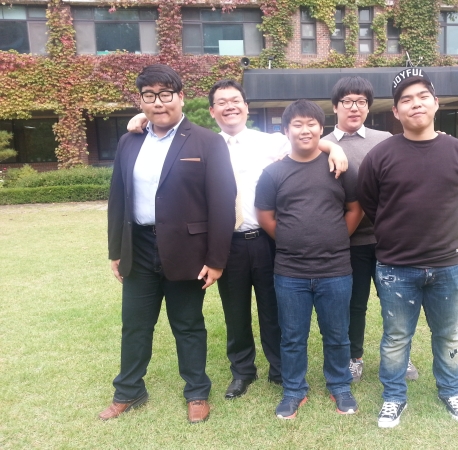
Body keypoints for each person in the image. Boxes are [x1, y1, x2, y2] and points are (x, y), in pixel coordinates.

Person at [127, 80, 347, 400]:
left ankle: (280, 369)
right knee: (235, 312)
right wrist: (141, 117)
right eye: (221, 102)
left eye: (235, 100)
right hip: (225, 242)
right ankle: (242, 371)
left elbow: (308, 138)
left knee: (274, 309)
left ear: (246, 107)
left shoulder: (270, 141)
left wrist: (334, 147)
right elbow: (165, 129)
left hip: (268, 240)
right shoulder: (200, 143)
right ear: (212, 111)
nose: (229, 106)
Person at [101, 64, 236, 424]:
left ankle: (197, 392)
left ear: (180, 97)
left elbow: (223, 203)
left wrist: (216, 259)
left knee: (188, 324)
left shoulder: (207, 141)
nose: (158, 102)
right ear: (141, 100)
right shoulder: (130, 141)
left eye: (165, 94)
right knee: (135, 324)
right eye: (149, 95)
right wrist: (116, 250)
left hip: (187, 251)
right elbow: (118, 198)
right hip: (139, 248)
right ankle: (129, 390)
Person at [357, 68, 458, 428]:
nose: (416, 104)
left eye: (423, 96)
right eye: (406, 100)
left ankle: (451, 391)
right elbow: (371, 203)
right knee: (396, 337)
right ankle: (394, 397)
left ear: (436, 103)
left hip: (449, 265)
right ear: (396, 111)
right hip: (396, 267)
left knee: (449, 334)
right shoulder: (380, 156)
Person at [255, 99, 363, 420]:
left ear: (321, 127)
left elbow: (355, 208)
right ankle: (293, 390)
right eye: (298, 124)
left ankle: (340, 386)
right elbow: (265, 215)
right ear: (286, 130)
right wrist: (290, 239)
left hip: (336, 269)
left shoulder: (338, 167)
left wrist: (337, 236)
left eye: (311, 123)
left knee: (337, 335)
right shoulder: (273, 173)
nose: (305, 130)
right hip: (290, 272)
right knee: (292, 337)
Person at [321, 76, 419, 383]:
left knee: (396, 302)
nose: (355, 108)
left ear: (368, 107)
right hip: (349, 241)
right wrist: (327, 145)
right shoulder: (321, 143)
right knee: (355, 303)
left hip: (389, 240)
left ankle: (400, 357)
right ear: (335, 106)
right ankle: (355, 357)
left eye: (361, 102)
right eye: (347, 101)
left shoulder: (385, 140)